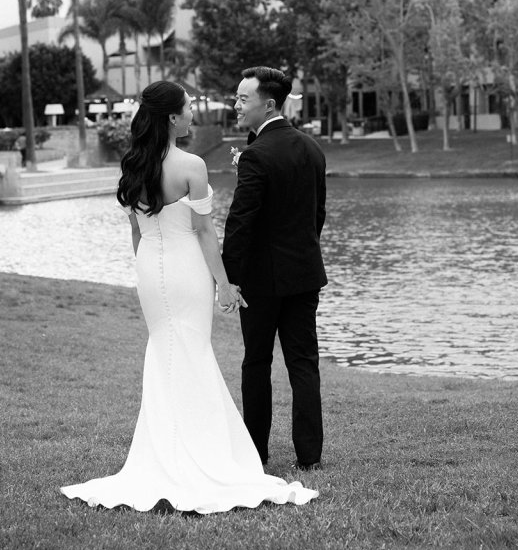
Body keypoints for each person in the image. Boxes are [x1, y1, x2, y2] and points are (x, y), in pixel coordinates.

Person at [61, 80, 318, 514]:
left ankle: (166, 448)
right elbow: (203, 232)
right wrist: (225, 283)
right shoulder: (191, 165)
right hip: (187, 271)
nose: (193, 113)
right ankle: (199, 450)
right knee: (193, 351)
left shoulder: (133, 164)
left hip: (149, 268)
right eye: (187, 107)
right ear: (172, 117)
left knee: (164, 351)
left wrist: (148, 270)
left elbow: (136, 231)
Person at [222, 67, 327, 471]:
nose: (236, 104)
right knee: (304, 362)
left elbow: (240, 222)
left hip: (261, 281)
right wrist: (302, 252)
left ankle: (256, 452)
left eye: (242, 98)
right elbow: (317, 215)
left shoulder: (256, 154)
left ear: (268, 104)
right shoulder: (312, 148)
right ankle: (309, 456)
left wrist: (229, 278)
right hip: (304, 273)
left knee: (256, 362)